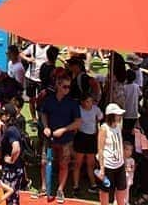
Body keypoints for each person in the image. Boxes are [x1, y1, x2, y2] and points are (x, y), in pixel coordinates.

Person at [39, 74, 81, 202]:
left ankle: (60, 190)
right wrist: (46, 126)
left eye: (69, 87)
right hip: (50, 138)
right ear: (58, 85)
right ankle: (44, 187)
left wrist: (63, 130)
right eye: (64, 87)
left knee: (64, 164)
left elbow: (78, 122)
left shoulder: (72, 103)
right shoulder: (49, 100)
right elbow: (43, 113)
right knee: (44, 162)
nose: (67, 89)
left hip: (65, 140)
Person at [94, 104, 128, 205]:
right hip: (108, 165)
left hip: (119, 164)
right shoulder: (104, 128)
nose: (120, 116)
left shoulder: (118, 126)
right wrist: (102, 168)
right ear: (111, 115)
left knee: (122, 188)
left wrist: (124, 160)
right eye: (117, 114)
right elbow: (100, 149)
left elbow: (120, 143)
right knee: (105, 191)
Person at [73, 91, 103, 196]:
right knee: (78, 163)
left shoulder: (96, 109)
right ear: (82, 102)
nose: (89, 103)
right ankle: (76, 186)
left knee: (91, 163)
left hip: (91, 138)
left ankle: (93, 184)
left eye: (91, 101)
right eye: (87, 101)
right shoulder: (78, 109)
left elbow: (100, 119)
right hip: (81, 137)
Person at [0, 104, 27, 205]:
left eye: (2, 114)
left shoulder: (11, 130)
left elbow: (16, 148)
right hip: (15, 168)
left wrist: (11, 160)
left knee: (10, 197)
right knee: (13, 196)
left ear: (8, 116)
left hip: (12, 169)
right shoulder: (12, 128)